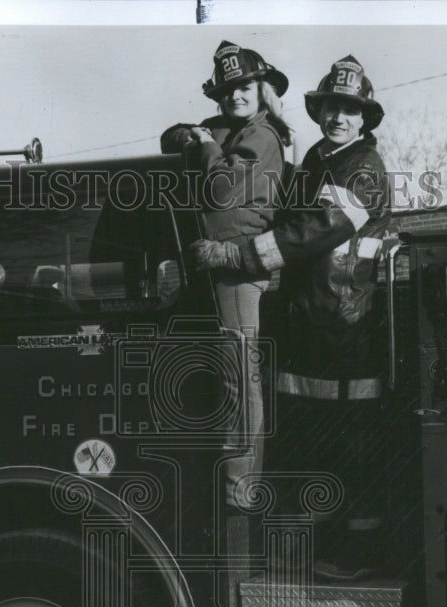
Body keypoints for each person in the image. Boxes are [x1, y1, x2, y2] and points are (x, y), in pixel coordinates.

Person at [193, 55, 391, 580]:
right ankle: (313, 549)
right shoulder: (317, 162)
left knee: (354, 450)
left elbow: (313, 231)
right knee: (312, 446)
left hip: (347, 332)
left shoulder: (363, 170)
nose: (338, 117)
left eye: (349, 110)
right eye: (330, 107)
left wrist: (238, 257)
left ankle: (361, 556)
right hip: (308, 330)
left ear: (364, 118)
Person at [161, 40, 292, 512]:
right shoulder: (238, 130)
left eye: (244, 87)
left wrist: (205, 142)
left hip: (236, 265)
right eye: (228, 89)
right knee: (238, 375)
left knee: (240, 378)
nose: (236, 95)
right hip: (225, 265)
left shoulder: (261, 136)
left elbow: (218, 192)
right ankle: (240, 479)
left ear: (261, 89)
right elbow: (169, 137)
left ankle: (240, 487)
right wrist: (189, 135)